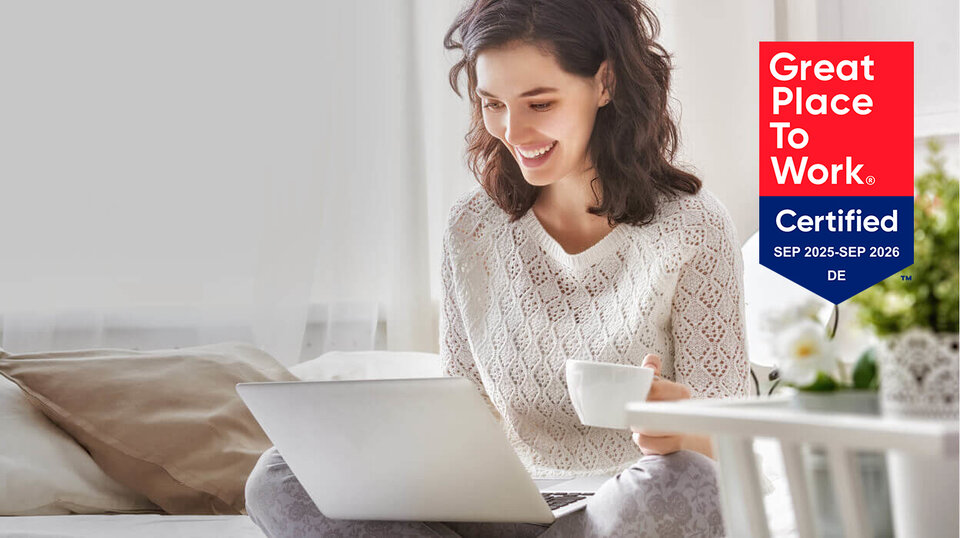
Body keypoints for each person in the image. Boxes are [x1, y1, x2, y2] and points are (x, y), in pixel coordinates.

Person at [244, 0, 750, 536]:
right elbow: (467, 417)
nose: (514, 131)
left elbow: (729, 452)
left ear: (604, 83)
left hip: (620, 507)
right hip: (506, 511)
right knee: (279, 475)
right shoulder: (472, 228)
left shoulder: (691, 226)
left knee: (684, 482)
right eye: (493, 104)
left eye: (540, 103)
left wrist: (676, 432)